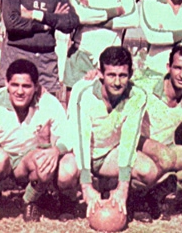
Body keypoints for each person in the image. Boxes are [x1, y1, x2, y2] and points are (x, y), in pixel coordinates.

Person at [0, 59, 75, 230]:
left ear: (36, 87)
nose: (19, 91)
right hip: (1, 158)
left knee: (47, 159)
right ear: (7, 84)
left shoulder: (48, 102)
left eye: (26, 86)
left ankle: (30, 200)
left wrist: (56, 150)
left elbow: (70, 135)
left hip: (28, 160)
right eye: (15, 85)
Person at [68, 46, 159, 221]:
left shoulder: (137, 96)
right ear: (100, 73)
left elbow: (128, 141)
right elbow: (81, 139)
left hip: (109, 155)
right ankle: (69, 200)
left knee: (148, 171)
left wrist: (123, 186)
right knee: (65, 173)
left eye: (122, 75)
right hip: (81, 154)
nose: (117, 82)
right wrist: (86, 184)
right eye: (111, 75)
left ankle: (124, 197)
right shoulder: (84, 93)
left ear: (130, 74)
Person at [134, 45, 182, 216]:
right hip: (140, 146)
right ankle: (137, 197)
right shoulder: (145, 85)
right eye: (177, 68)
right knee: (161, 160)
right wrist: (92, 77)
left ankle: (158, 192)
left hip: (168, 149)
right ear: (168, 68)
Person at [64, 0, 139, 100]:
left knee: (108, 114)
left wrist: (94, 14)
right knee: (75, 107)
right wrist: (116, 11)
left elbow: (134, 19)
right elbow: (80, 16)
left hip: (112, 58)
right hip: (82, 54)